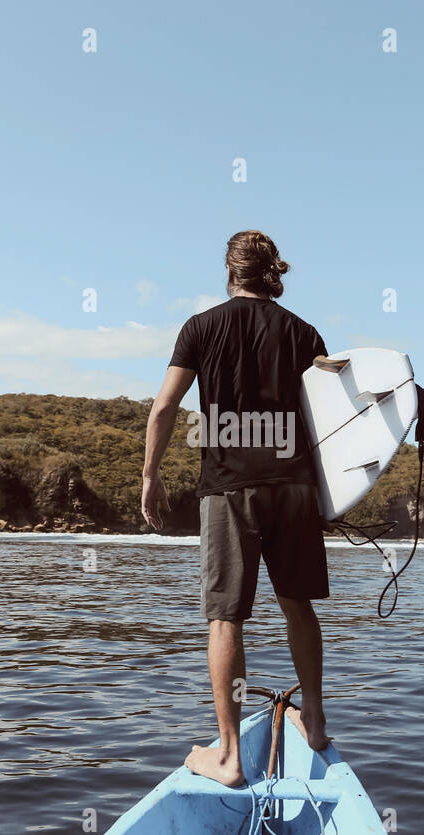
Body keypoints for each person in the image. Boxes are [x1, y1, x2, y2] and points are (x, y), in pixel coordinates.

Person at [141, 230, 342, 786]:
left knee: (225, 616)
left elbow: (163, 409)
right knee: (297, 604)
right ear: (269, 272)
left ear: (229, 271)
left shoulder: (201, 327)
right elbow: (333, 415)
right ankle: (317, 723)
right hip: (295, 486)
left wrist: (151, 475)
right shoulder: (304, 333)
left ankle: (229, 755)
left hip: (231, 488)